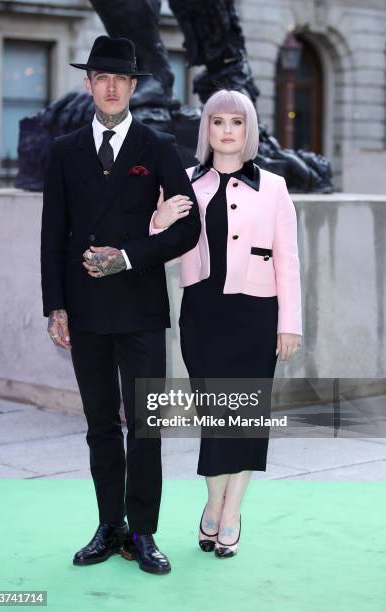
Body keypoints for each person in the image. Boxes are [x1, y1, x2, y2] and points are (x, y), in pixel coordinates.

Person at [40, 36, 200, 574]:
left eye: (120, 79)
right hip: (83, 311)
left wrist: (130, 256)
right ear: (88, 85)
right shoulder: (63, 151)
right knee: (100, 424)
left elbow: (190, 228)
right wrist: (54, 305)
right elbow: (52, 235)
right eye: (100, 78)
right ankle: (109, 526)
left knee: (146, 425)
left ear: (132, 87)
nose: (110, 87)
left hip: (140, 310)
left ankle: (142, 532)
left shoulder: (157, 147)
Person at [151, 89, 302, 558]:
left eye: (236, 123)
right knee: (216, 418)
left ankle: (229, 513)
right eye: (218, 122)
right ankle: (213, 502)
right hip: (203, 314)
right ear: (207, 130)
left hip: (258, 314)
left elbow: (288, 260)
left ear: (248, 130)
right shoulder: (186, 184)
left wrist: (290, 323)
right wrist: (159, 218)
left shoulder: (274, 187)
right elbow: (165, 249)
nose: (227, 131)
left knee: (247, 419)